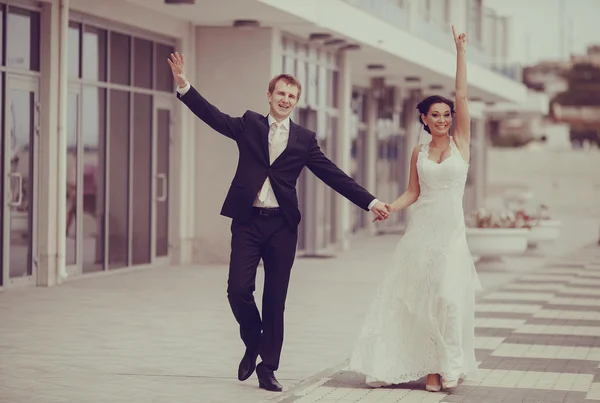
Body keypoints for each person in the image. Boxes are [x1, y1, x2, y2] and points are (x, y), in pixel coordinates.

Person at [167, 53, 390, 392]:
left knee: (275, 299)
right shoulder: (249, 124)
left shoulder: (304, 139)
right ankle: (254, 341)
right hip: (248, 221)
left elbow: (333, 175)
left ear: (296, 102)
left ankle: (268, 367)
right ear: (269, 96)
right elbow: (214, 118)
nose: (285, 99)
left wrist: (370, 201)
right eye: (281, 93)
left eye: (291, 96)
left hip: (282, 226)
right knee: (238, 289)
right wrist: (185, 86)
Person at [349, 25, 481, 392]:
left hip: (451, 234)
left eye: (446, 115)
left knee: (447, 299)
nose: (442, 120)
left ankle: (447, 365)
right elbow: (412, 192)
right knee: (418, 301)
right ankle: (430, 368)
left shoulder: (462, 144)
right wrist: (390, 205)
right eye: (435, 115)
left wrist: (460, 53)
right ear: (423, 119)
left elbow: (462, 94)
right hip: (421, 233)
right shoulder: (417, 152)